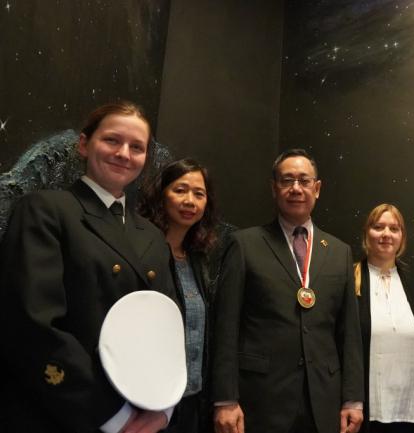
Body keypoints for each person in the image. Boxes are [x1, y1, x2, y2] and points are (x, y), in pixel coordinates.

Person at [0, 101, 177, 433]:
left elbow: (166, 330)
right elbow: (31, 326)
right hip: (64, 413)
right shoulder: (44, 211)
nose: (124, 154)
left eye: (136, 147)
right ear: (84, 144)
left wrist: (163, 409)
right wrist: (114, 417)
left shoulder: (152, 235)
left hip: (141, 415)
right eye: (112, 140)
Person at [211, 148, 364, 433]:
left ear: (317, 189)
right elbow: (226, 326)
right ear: (274, 188)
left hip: (324, 400)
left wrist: (353, 399)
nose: (296, 188)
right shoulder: (244, 245)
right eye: (287, 180)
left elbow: (349, 333)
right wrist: (225, 399)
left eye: (304, 181)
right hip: (262, 397)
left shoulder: (339, 251)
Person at [139, 158, 219, 433]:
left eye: (199, 194)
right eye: (180, 190)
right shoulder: (140, 253)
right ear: (161, 195)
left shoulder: (198, 258)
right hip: (148, 402)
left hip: (192, 401)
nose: (190, 201)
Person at [355, 204, 414, 433]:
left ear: (402, 237)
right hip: (365, 410)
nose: (386, 234)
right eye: (378, 227)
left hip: (409, 409)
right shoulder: (349, 282)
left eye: (394, 228)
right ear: (366, 233)